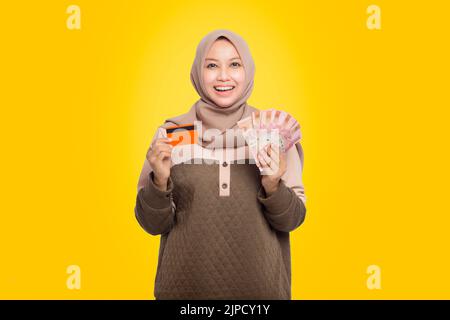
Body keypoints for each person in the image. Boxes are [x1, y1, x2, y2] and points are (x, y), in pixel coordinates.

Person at [134, 29, 306, 300]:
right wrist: (159, 181)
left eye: (234, 64)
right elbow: (152, 224)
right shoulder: (174, 134)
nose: (223, 76)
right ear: (197, 72)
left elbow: (292, 221)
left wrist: (273, 185)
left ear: (247, 70)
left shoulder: (272, 133)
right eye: (212, 65)